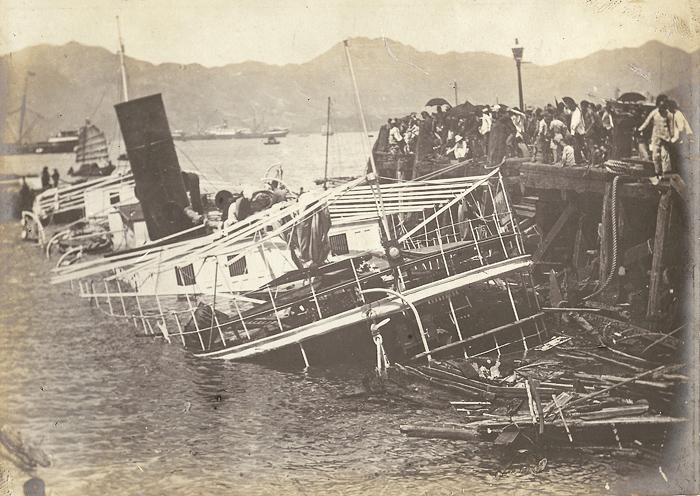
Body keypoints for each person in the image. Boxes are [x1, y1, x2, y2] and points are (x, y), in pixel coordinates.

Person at [638, 94, 672, 176]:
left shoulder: (668, 114)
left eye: (663, 107)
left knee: (665, 155)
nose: (662, 109)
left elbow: (672, 126)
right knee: (655, 155)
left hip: (666, 137)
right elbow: (646, 122)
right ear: (657, 105)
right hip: (656, 137)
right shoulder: (654, 113)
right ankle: (657, 172)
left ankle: (666, 173)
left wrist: (672, 136)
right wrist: (639, 130)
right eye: (660, 107)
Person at [568, 99, 586, 164]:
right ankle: (580, 160)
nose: (569, 108)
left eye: (570, 106)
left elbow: (578, 121)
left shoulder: (577, 111)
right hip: (576, 131)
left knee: (577, 147)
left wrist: (573, 127)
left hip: (577, 132)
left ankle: (578, 161)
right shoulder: (575, 111)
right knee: (579, 146)